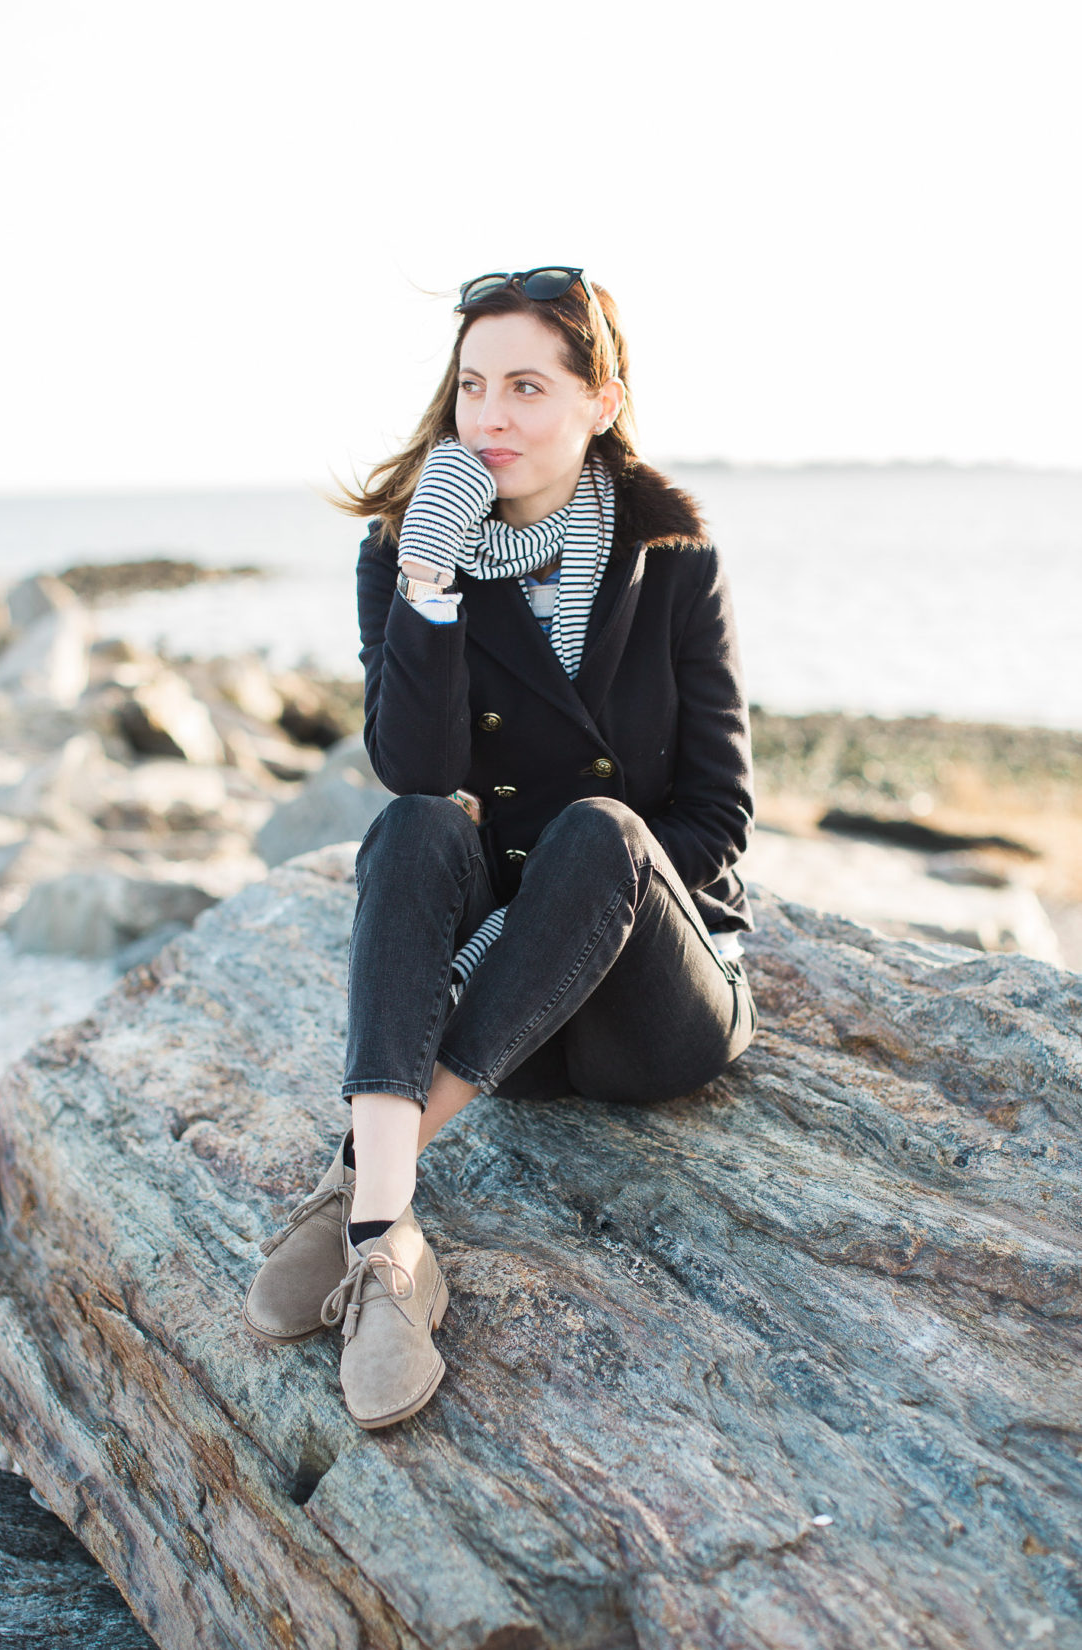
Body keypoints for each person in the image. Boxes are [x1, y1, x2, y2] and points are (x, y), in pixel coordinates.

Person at [242, 266, 757, 1429]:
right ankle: (389, 1240)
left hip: (649, 1009)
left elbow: (716, 825)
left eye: (527, 386)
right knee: (413, 825)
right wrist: (429, 582)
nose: (488, 418)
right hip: (513, 1031)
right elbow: (421, 774)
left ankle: (362, 1184)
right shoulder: (410, 555)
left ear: (601, 401)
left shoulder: (671, 558)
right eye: (472, 386)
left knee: (598, 827)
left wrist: (570, 884)